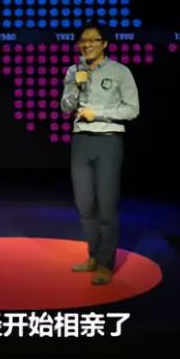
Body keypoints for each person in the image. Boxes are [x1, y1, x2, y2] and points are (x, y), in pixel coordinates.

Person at [59, 23, 140, 285]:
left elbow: (132, 109)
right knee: (84, 205)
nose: (87, 45)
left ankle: (105, 263)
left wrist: (100, 114)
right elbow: (65, 108)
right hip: (81, 140)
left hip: (108, 140)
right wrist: (75, 88)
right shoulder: (74, 71)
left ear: (104, 43)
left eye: (93, 40)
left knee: (106, 205)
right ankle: (93, 255)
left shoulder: (120, 71)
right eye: (83, 41)